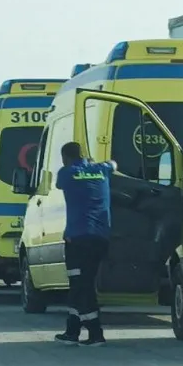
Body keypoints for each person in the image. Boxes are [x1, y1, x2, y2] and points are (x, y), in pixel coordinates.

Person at [54, 141, 115, 347]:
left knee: (82, 285)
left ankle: (96, 333)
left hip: (78, 239)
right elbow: (113, 164)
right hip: (100, 237)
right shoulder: (102, 170)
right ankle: (72, 331)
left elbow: (59, 185)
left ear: (65, 157)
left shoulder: (66, 173)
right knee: (79, 284)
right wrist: (93, 163)